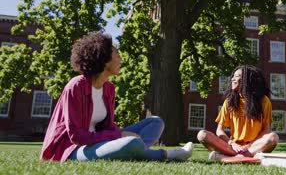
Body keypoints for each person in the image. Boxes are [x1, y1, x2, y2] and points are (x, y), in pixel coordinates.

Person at [40, 32, 194, 162]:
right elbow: (77, 136)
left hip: (100, 142)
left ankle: (134, 151)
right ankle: (167, 154)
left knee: (156, 122)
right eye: (117, 55)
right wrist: (118, 135)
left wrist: (117, 134)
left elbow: (107, 126)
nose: (120, 59)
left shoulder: (109, 89)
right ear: (104, 58)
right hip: (73, 149)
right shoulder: (75, 87)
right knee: (131, 143)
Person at [197, 65, 279, 161]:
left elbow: (266, 130)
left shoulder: (264, 101)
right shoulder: (229, 101)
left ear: (247, 80)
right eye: (233, 76)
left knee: (273, 137)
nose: (232, 79)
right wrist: (232, 143)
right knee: (202, 135)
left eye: (237, 76)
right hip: (232, 147)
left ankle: (224, 158)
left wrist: (249, 145)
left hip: (253, 146)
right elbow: (219, 130)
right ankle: (248, 158)